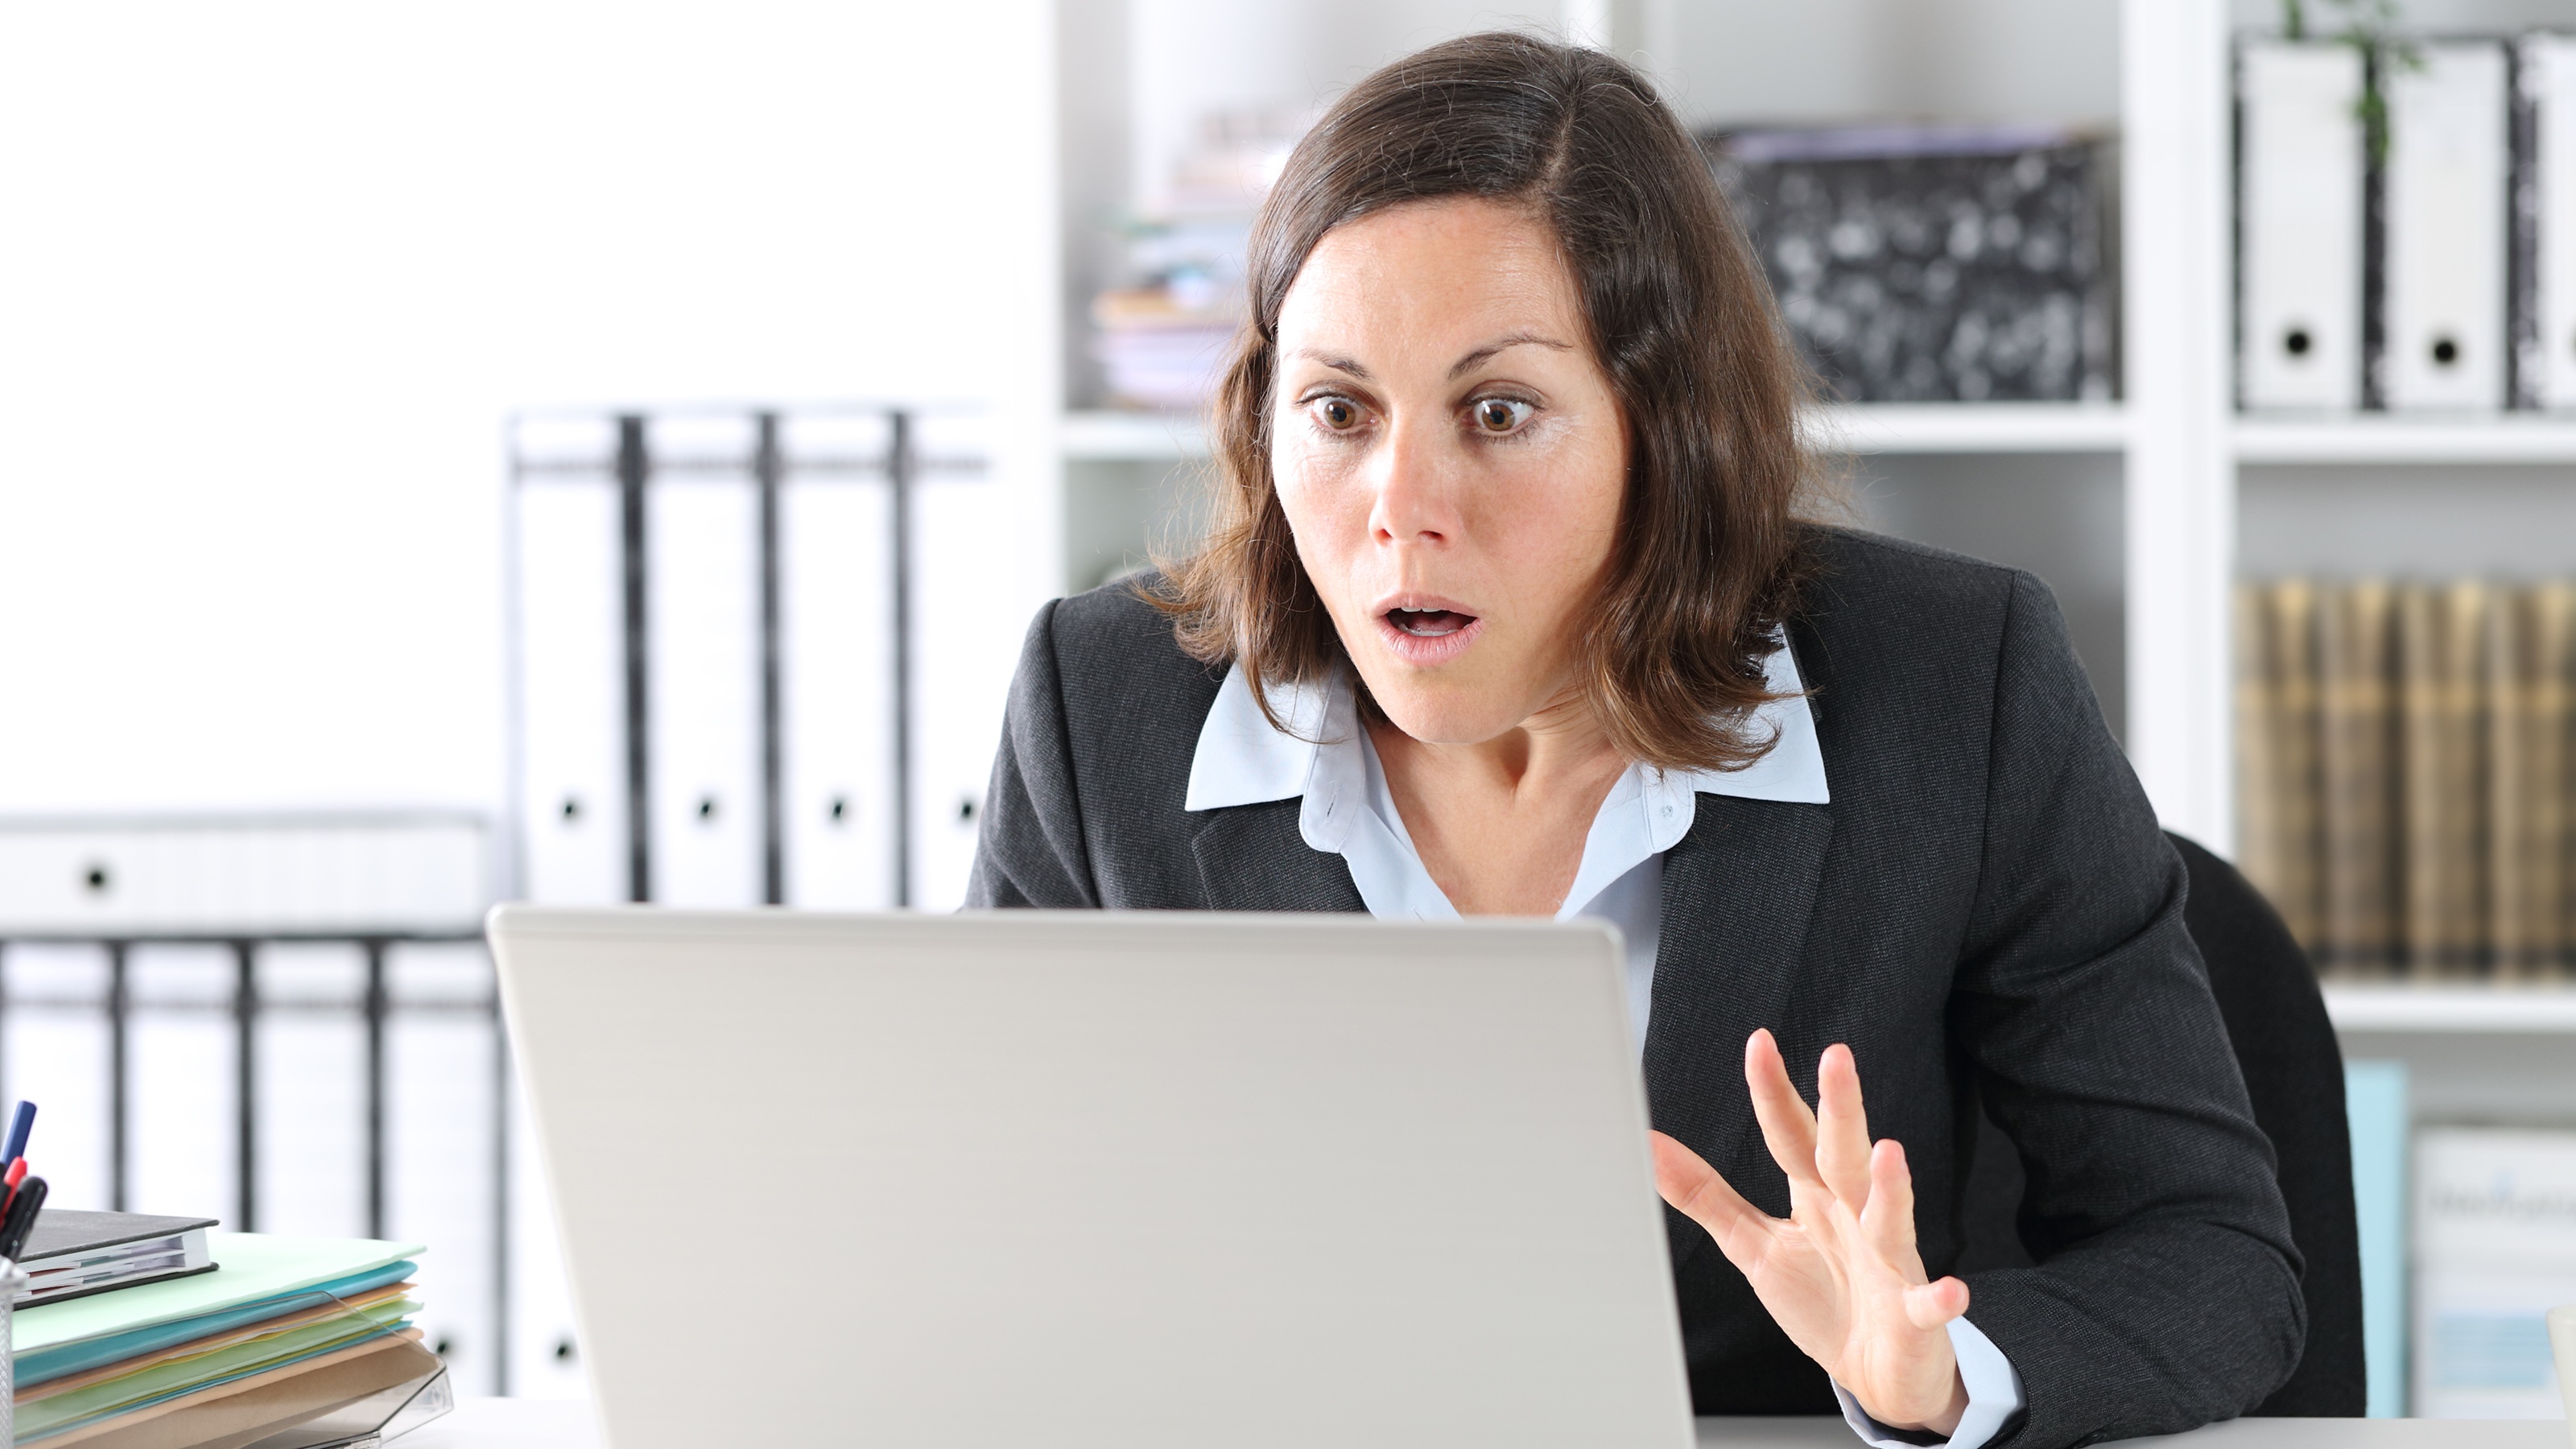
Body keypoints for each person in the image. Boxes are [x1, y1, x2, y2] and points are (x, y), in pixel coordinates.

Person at [968, 31, 2301, 1449]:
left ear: (1663, 438)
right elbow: (959, 1245)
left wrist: (1943, 1371)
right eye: (1339, 410)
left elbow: (2215, 1259)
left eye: (1499, 412)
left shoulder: (1951, 688)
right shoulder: (1099, 705)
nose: (1399, 506)